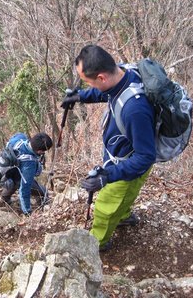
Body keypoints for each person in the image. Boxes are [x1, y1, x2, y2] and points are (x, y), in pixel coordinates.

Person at [61, 45, 156, 251]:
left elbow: (146, 157)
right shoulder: (123, 74)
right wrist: (80, 96)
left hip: (129, 164)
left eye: (88, 81)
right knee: (123, 198)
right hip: (121, 155)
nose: (88, 85)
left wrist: (107, 176)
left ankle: (99, 243)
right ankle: (123, 216)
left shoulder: (135, 110)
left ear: (102, 77)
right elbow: (107, 93)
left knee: (105, 205)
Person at [0, 132, 53, 216]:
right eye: (43, 151)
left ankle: (4, 198)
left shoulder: (20, 138)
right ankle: (43, 208)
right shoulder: (29, 164)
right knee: (43, 192)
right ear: (40, 151)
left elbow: (16, 135)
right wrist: (27, 212)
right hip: (3, 178)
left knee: (16, 177)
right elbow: (25, 189)